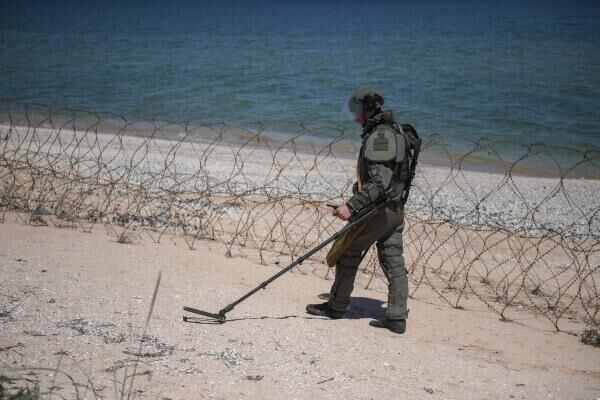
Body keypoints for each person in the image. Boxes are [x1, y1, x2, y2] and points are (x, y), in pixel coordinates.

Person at [306, 87, 417, 334]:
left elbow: (380, 182)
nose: (354, 116)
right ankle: (397, 317)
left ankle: (336, 308)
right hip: (395, 210)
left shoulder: (380, 136)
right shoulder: (394, 130)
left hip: (377, 211)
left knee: (347, 253)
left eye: (357, 111)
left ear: (368, 110)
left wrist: (351, 206)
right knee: (393, 262)